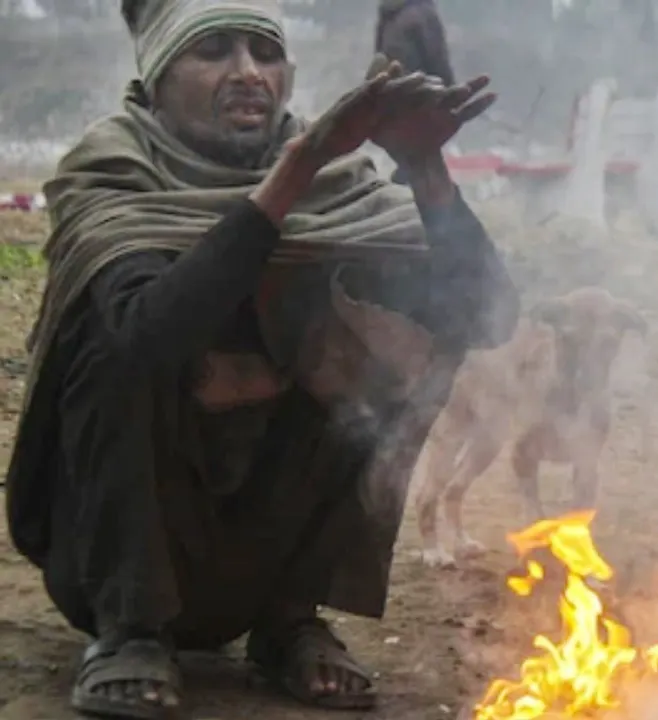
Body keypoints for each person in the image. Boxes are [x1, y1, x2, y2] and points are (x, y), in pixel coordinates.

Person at [4, 0, 520, 717]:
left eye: (265, 53)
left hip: (258, 547)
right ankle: (132, 632)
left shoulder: (338, 186)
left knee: (403, 336)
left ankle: (290, 621)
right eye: (214, 49)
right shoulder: (112, 169)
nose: (248, 73)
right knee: (108, 333)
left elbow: (483, 319)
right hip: (110, 557)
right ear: (157, 76)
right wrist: (292, 172)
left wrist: (424, 168)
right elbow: (145, 339)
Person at [375, 0, 457, 185]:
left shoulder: (388, 14)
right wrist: (452, 96)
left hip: (394, 99)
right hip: (419, 98)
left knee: (409, 162)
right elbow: (438, 61)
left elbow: (379, 60)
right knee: (418, 163)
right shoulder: (422, 13)